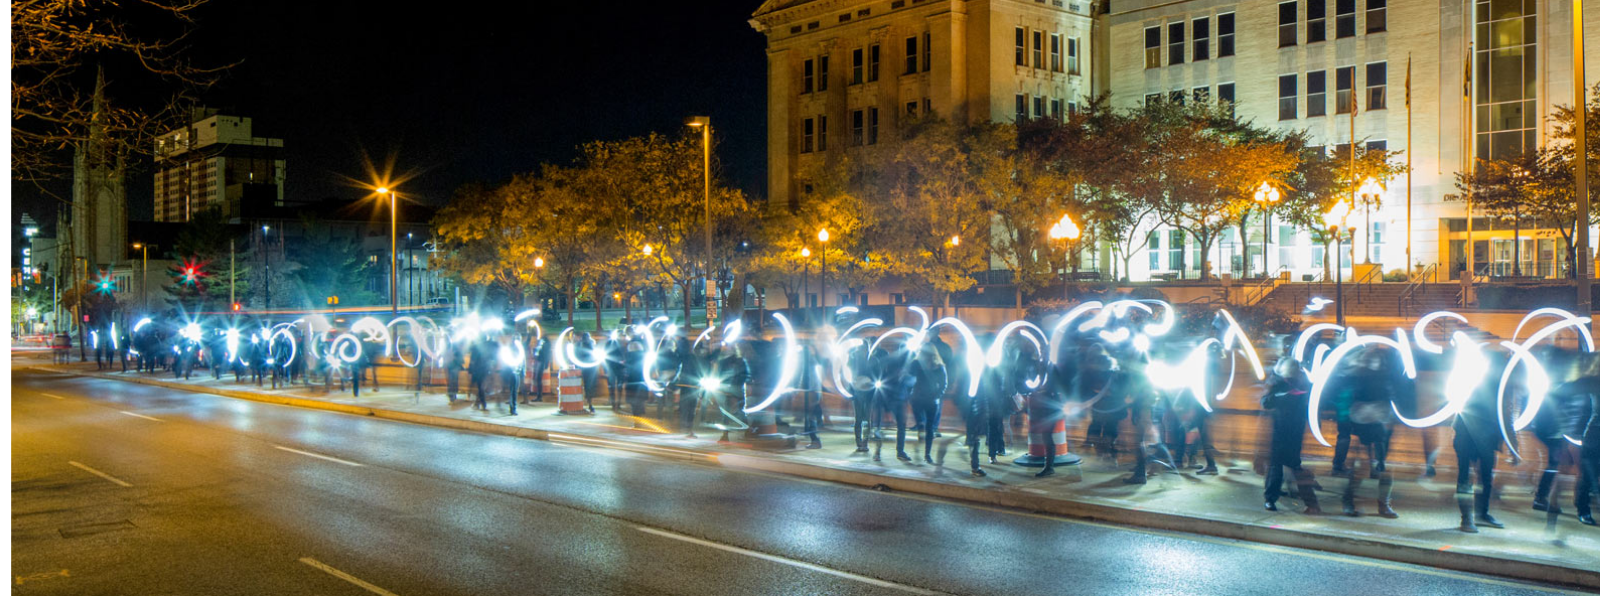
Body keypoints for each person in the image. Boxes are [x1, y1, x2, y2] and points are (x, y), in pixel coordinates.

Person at [1336, 346, 1401, 518]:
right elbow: (1352, 399)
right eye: (1372, 359)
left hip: (1380, 425)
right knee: (1362, 467)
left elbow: (1391, 398)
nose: (1375, 362)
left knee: (1384, 468)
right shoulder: (1359, 377)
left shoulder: (1384, 376)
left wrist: (1389, 418)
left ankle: (1384, 505)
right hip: (1364, 423)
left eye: (1377, 359)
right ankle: (1349, 501)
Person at [1454, 349, 1512, 532]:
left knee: (1475, 477)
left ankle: (1476, 516)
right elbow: (1505, 414)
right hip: (1471, 434)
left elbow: (1505, 414)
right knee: (1476, 477)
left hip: (1475, 435)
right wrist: (1511, 445)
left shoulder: (1479, 379)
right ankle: (1471, 518)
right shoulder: (1491, 383)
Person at [1262, 356, 1323, 514]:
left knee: (1285, 465)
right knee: (1285, 466)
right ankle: (1308, 503)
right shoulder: (1282, 383)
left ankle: (1273, 499)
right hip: (1287, 430)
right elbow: (1266, 402)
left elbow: (1314, 403)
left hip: (1289, 430)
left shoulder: (1296, 382)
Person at [872, 341, 913, 462]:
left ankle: (880, 452)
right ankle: (896, 451)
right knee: (896, 426)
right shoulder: (901, 363)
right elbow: (909, 381)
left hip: (889, 396)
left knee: (882, 425)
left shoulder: (895, 361)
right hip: (893, 397)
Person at [908, 346, 948, 463]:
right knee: (926, 425)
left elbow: (943, 383)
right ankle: (926, 451)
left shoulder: (938, 367)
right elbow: (909, 376)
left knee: (929, 427)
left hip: (929, 399)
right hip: (921, 398)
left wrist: (937, 395)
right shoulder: (917, 364)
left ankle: (927, 453)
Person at [848, 337, 876, 453]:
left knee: (864, 419)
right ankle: (861, 443)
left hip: (866, 392)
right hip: (860, 391)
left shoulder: (871, 360)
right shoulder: (854, 359)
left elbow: (878, 375)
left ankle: (863, 442)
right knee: (860, 419)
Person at [576, 332, 601, 413]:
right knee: (589, 386)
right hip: (590, 368)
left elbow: (577, 355)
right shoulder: (591, 344)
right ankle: (589, 403)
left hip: (586, 367)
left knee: (587, 386)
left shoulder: (580, 345)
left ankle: (588, 403)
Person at [603, 331, 625, 412]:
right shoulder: (620, 343)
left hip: (615, 367)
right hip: (615, 367)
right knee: (615, 387)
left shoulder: (611, 343)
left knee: (615, 387)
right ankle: (616, 404)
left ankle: (616, 404)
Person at [468, 337, 493, 410]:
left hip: (478, 370)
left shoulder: (476, 348)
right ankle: (479, 403)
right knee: (481, 387)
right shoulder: (487, 347)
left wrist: (470, 371)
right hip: (485, 369)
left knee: (479, 387)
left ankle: (481, 403)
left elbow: (472, 361)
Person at [529, 334, 554, 403]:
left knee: (538, 379)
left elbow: (543, 353)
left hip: (541, 362)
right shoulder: (543, 343)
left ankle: (539, 396)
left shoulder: (544, 343)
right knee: (538, 379)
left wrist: (535, 350)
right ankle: (539, 396)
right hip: (540, 361)